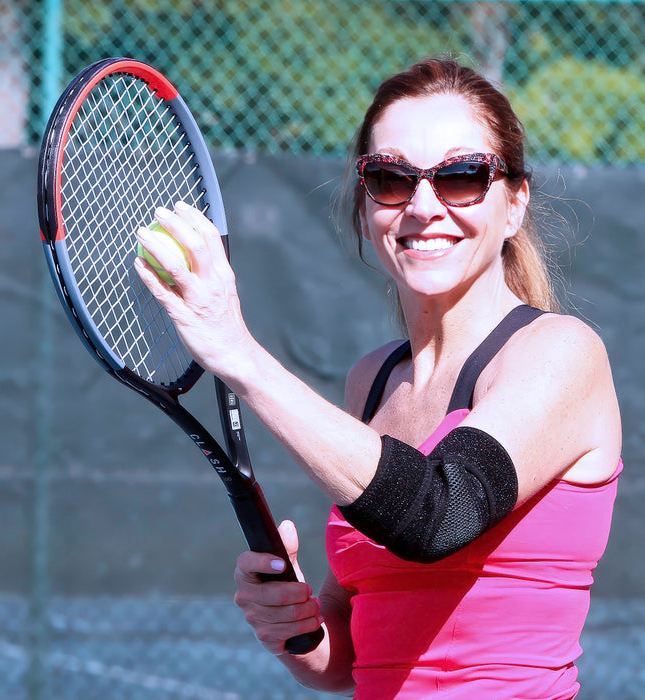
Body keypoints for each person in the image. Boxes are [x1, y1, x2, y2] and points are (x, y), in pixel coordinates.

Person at [134, 58, 622, 699]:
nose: (423, 207)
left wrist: (240, 353)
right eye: (390, 178)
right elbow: (353, 659)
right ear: (367, 207)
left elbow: (438, 515)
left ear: (514, 204)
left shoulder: (560, 351)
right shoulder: (374, 381)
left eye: (461, 177)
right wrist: (296, 626)